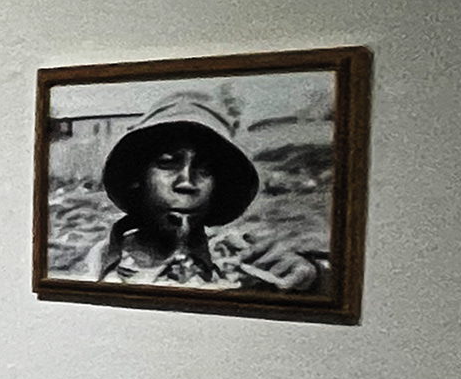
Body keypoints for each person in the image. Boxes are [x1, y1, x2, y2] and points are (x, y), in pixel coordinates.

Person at [89, 91, 317, 290]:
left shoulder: (241, 262)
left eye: (205, 169)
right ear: (137, 177)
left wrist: (308, 279)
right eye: (167, 163)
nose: (186, 183)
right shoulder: (95, 262)